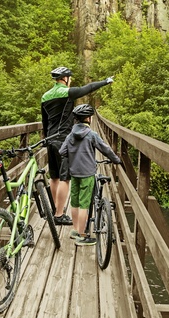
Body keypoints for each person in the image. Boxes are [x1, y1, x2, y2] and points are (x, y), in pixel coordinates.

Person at [41, 66, 114, 225]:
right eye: (69, 78)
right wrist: (106, 81)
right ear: (65, 78)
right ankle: (59, 215)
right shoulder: (66, 92)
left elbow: (44, 121)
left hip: (50, 139)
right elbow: (87, 88)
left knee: (54, 176)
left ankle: (54, 210)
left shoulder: (45, 96)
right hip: (62, 140)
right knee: (64, 178)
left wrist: (46, 138)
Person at [59, 104, 121, 246]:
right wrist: (116, 160)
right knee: (84, 205)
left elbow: (62, 151)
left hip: (74, 173)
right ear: (88, 118)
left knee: (74, 202)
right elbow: (105, 149)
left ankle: (75, 230)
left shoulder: (70, 135)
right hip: (87, 174)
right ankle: (82, 236)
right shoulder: (91, 135)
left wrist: (73, 154)